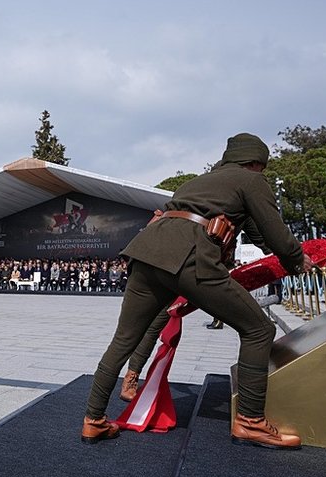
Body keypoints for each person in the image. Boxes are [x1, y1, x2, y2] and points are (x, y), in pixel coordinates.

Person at [82, 133, 312, 449]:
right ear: (256, 161)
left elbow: (258, 235)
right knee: (258, 329)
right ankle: (250, 421)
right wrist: (299, 260)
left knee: (123, 340)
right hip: (190, 256)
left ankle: (93, 420)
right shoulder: (251, 180)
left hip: (146, 253)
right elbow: (274, 232)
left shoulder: (199, 182)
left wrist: (284, 254)